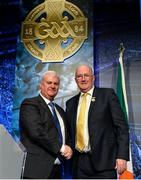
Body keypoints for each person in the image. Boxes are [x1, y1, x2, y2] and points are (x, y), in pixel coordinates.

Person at [66, 64, 129, 179]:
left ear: (93, 78)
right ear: (75, 80)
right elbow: (70, 133)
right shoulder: (70, 103)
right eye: (79, 76)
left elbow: (122, 127)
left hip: (104, 163)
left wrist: (122, 156)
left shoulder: (107, 95)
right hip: (79, 165)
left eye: (86, 75)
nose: (83, 79)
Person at [19, 71, 73, 179]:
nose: (53, 86)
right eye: (49, 82)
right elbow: (36, 132)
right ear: (41, 85)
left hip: (57, 170)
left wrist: (69, 148)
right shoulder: (30, 104)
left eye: (56, 83)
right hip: (36, 171)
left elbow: (66, 135)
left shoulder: (60, 111)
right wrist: (61, 148)